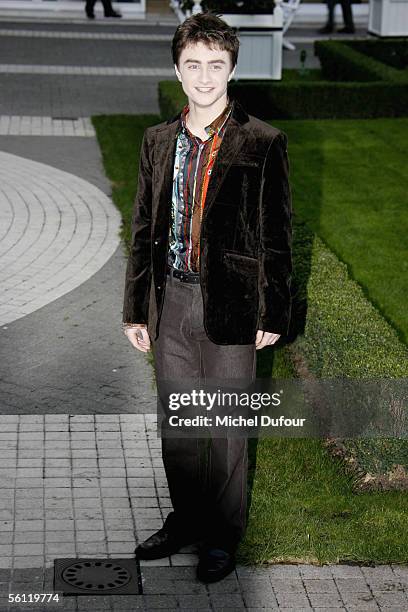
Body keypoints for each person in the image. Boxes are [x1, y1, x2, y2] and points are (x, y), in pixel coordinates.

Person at [122, 11, 292, 583]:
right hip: (169, 303)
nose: (203, 77)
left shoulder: (263, 142)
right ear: (177, 68)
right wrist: (134, 309)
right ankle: (186, 520)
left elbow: (277, 235)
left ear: (232, 69)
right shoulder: (157, 142)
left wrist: (274, 310)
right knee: (180, 425)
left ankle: (221, 536)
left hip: (234, 306)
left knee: (224, 428)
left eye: (215, 65)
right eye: (193, 64)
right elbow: (143, 228)